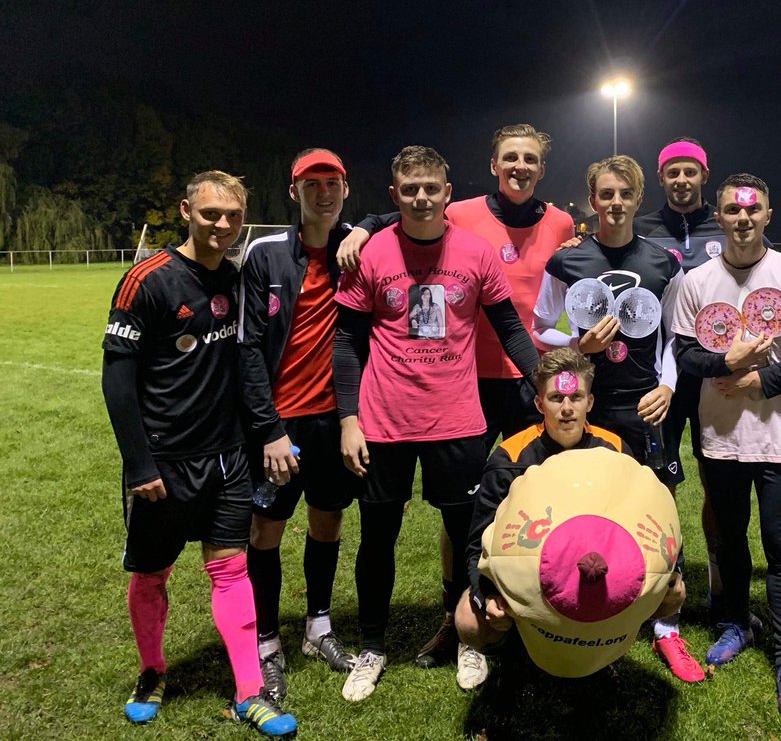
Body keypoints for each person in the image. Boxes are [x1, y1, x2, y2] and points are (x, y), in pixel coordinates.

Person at [336, 123, 575, 688]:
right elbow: (346, 342)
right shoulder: (373, 253)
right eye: (410, 189)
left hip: (457, 419)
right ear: (394, 194)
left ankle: (468, 633)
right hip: (384, 422)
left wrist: (543, 381)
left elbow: (511, 328)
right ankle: (372, 645)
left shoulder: (474, 251)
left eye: (431, 188)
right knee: (377, 537)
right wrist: (349, 419)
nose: (422, 197)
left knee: (469, 533)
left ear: (448, 192)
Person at [101, 171, 297, 737]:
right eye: (211, 213)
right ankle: (152, 672)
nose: (222, 225)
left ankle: (249, 692)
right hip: (165, 461)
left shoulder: (236, 279)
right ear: (187, 211)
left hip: (228, 458)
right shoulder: (146, 281)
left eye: (233, 216)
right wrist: (139, 464)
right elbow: (117, 379)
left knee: (231, 569)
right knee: (152, 575)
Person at [531, 154, 703, 683]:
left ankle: (666, 626)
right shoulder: (568, 260)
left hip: (644, 405)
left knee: (657, 509)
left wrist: (668, 385)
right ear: (592, 199)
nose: (615, 203)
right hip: (586, 406)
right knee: (585, 507)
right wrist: (577, 345)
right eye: (606, 194)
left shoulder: (663, 262)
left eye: (625, 194)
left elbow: (675, 335)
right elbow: (542, 325)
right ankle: (590, 609)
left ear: (638, 198)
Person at [673, 173, 781, 721]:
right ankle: (736, 623)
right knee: (730, 539)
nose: (743, 218)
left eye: (753, 209)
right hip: (720, 437)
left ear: (767, 214)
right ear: (719, 216)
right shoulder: (697, 281)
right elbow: (685, 352)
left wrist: (761, 380)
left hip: (780, 436)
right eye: (733, 210)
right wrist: (728, 362)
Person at [455, 348, 684, 655]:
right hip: (530, 576)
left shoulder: (614, 449)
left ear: (590, 402)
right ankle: (515, 652)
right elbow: (476, 544)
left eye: (576, 397)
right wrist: (486, 595)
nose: (566, 409)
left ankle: (600, 646)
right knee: (470, 621)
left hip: (596, 571)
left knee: (673, 595)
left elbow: (646, 516)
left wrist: (671, 572)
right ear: (539, 403)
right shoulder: (510, 458)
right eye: (556, 398)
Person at [238, 149, 359, 703]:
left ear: (345, 189)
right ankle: (266, 640)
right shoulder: (264, 253)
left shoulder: (358, 246)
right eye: (312, 184)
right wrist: (268, 429)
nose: (323, 192)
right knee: (266, 530)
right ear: (295, 192)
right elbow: (247, 349)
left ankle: (318, 626)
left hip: (335, 421)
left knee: (327, 521)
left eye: (332, 182)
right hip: (279, 423)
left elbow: (413, 216)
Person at [633, 138, 729, 622]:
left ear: (704, 176)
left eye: (690, 171)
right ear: (661, 178)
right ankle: (666, 589)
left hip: (717, 377)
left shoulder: (727, 225)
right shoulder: (642, 229)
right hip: (660, 378)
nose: (681, 180)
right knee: (661, 484)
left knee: (719, 483)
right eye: (673, 172)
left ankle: (719, 588)